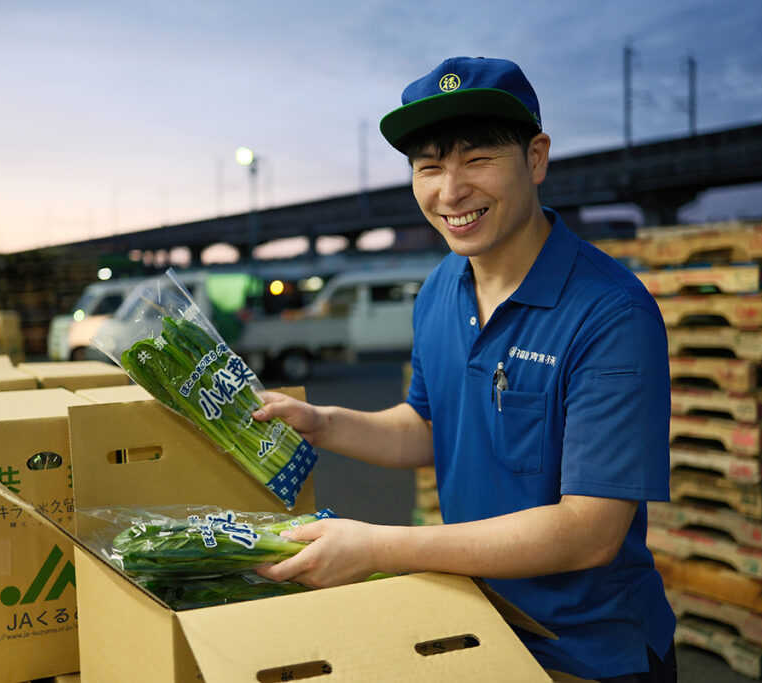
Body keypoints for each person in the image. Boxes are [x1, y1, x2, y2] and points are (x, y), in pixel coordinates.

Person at [253, 56, 676, 682]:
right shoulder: (440, 290)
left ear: (535, 158)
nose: (449, 192)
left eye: (477, 160)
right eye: (429, 166)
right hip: (480, 628)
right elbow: (429, 425)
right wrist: (323, 422)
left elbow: (590, 532)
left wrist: (377, 546)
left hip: (589, 653)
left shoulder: (611, 313)